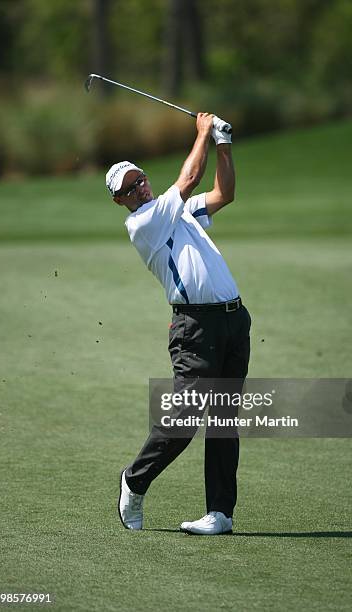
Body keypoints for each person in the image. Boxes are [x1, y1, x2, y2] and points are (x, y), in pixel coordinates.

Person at [106, 113, 251, 535]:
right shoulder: (143, 224)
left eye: (140, 179)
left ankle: (220, 513)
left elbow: (224, 193)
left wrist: (223, 144)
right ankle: (134, 480)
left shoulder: (180, 212)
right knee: (186, 416)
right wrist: (203, 131)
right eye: (129, 188)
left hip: (233, 321)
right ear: (120, 200)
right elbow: (188, 178)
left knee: (224, 419)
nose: (139, 187)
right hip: (196, 328)